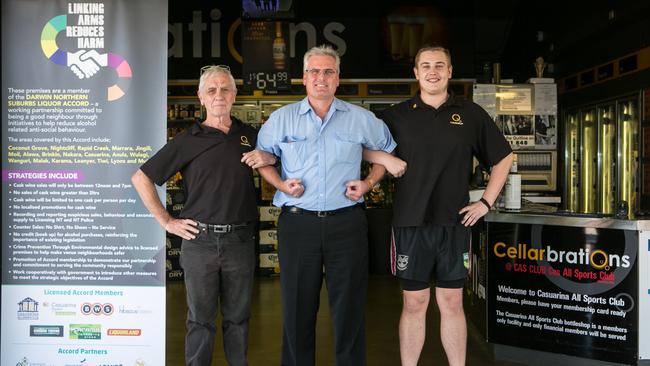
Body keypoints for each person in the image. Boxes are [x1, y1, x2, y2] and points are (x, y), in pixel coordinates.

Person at [255, 45, 404, 366]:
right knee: (297, 308)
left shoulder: (361, 119)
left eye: (328, 72)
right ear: (303, 79)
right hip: (297, 224)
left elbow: (387, 152)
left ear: (338, 79)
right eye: (314, 72)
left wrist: (369, 183)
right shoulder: (281, 120)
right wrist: (280, 184)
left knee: (349, 308)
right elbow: (261, 157)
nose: (320, 78)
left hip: (346, 224)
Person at [367, 46, 513, 366]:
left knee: (451, 301)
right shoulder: (395, 115)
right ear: (416, 73)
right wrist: (384, 158)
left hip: (455, 222)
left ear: (449, 71)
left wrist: (486, 202)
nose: (432, 71)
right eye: (425, 66)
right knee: (415, 303)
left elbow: (504, 157)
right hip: (410, 221)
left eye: (439, 65)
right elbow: (361, 148)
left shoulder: (470, 113)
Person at [131, 65, 275, 366]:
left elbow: (283, 166)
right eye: (212, 89)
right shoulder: (187, 140)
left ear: (234, 95)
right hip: (200, 242)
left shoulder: (252, 136)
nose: (219, 95)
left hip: (240, 240)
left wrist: (271, 156)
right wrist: (166, 220)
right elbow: (141, 177)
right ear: (201, 97)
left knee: (238, 319)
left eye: (225, 89)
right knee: (200, 321)